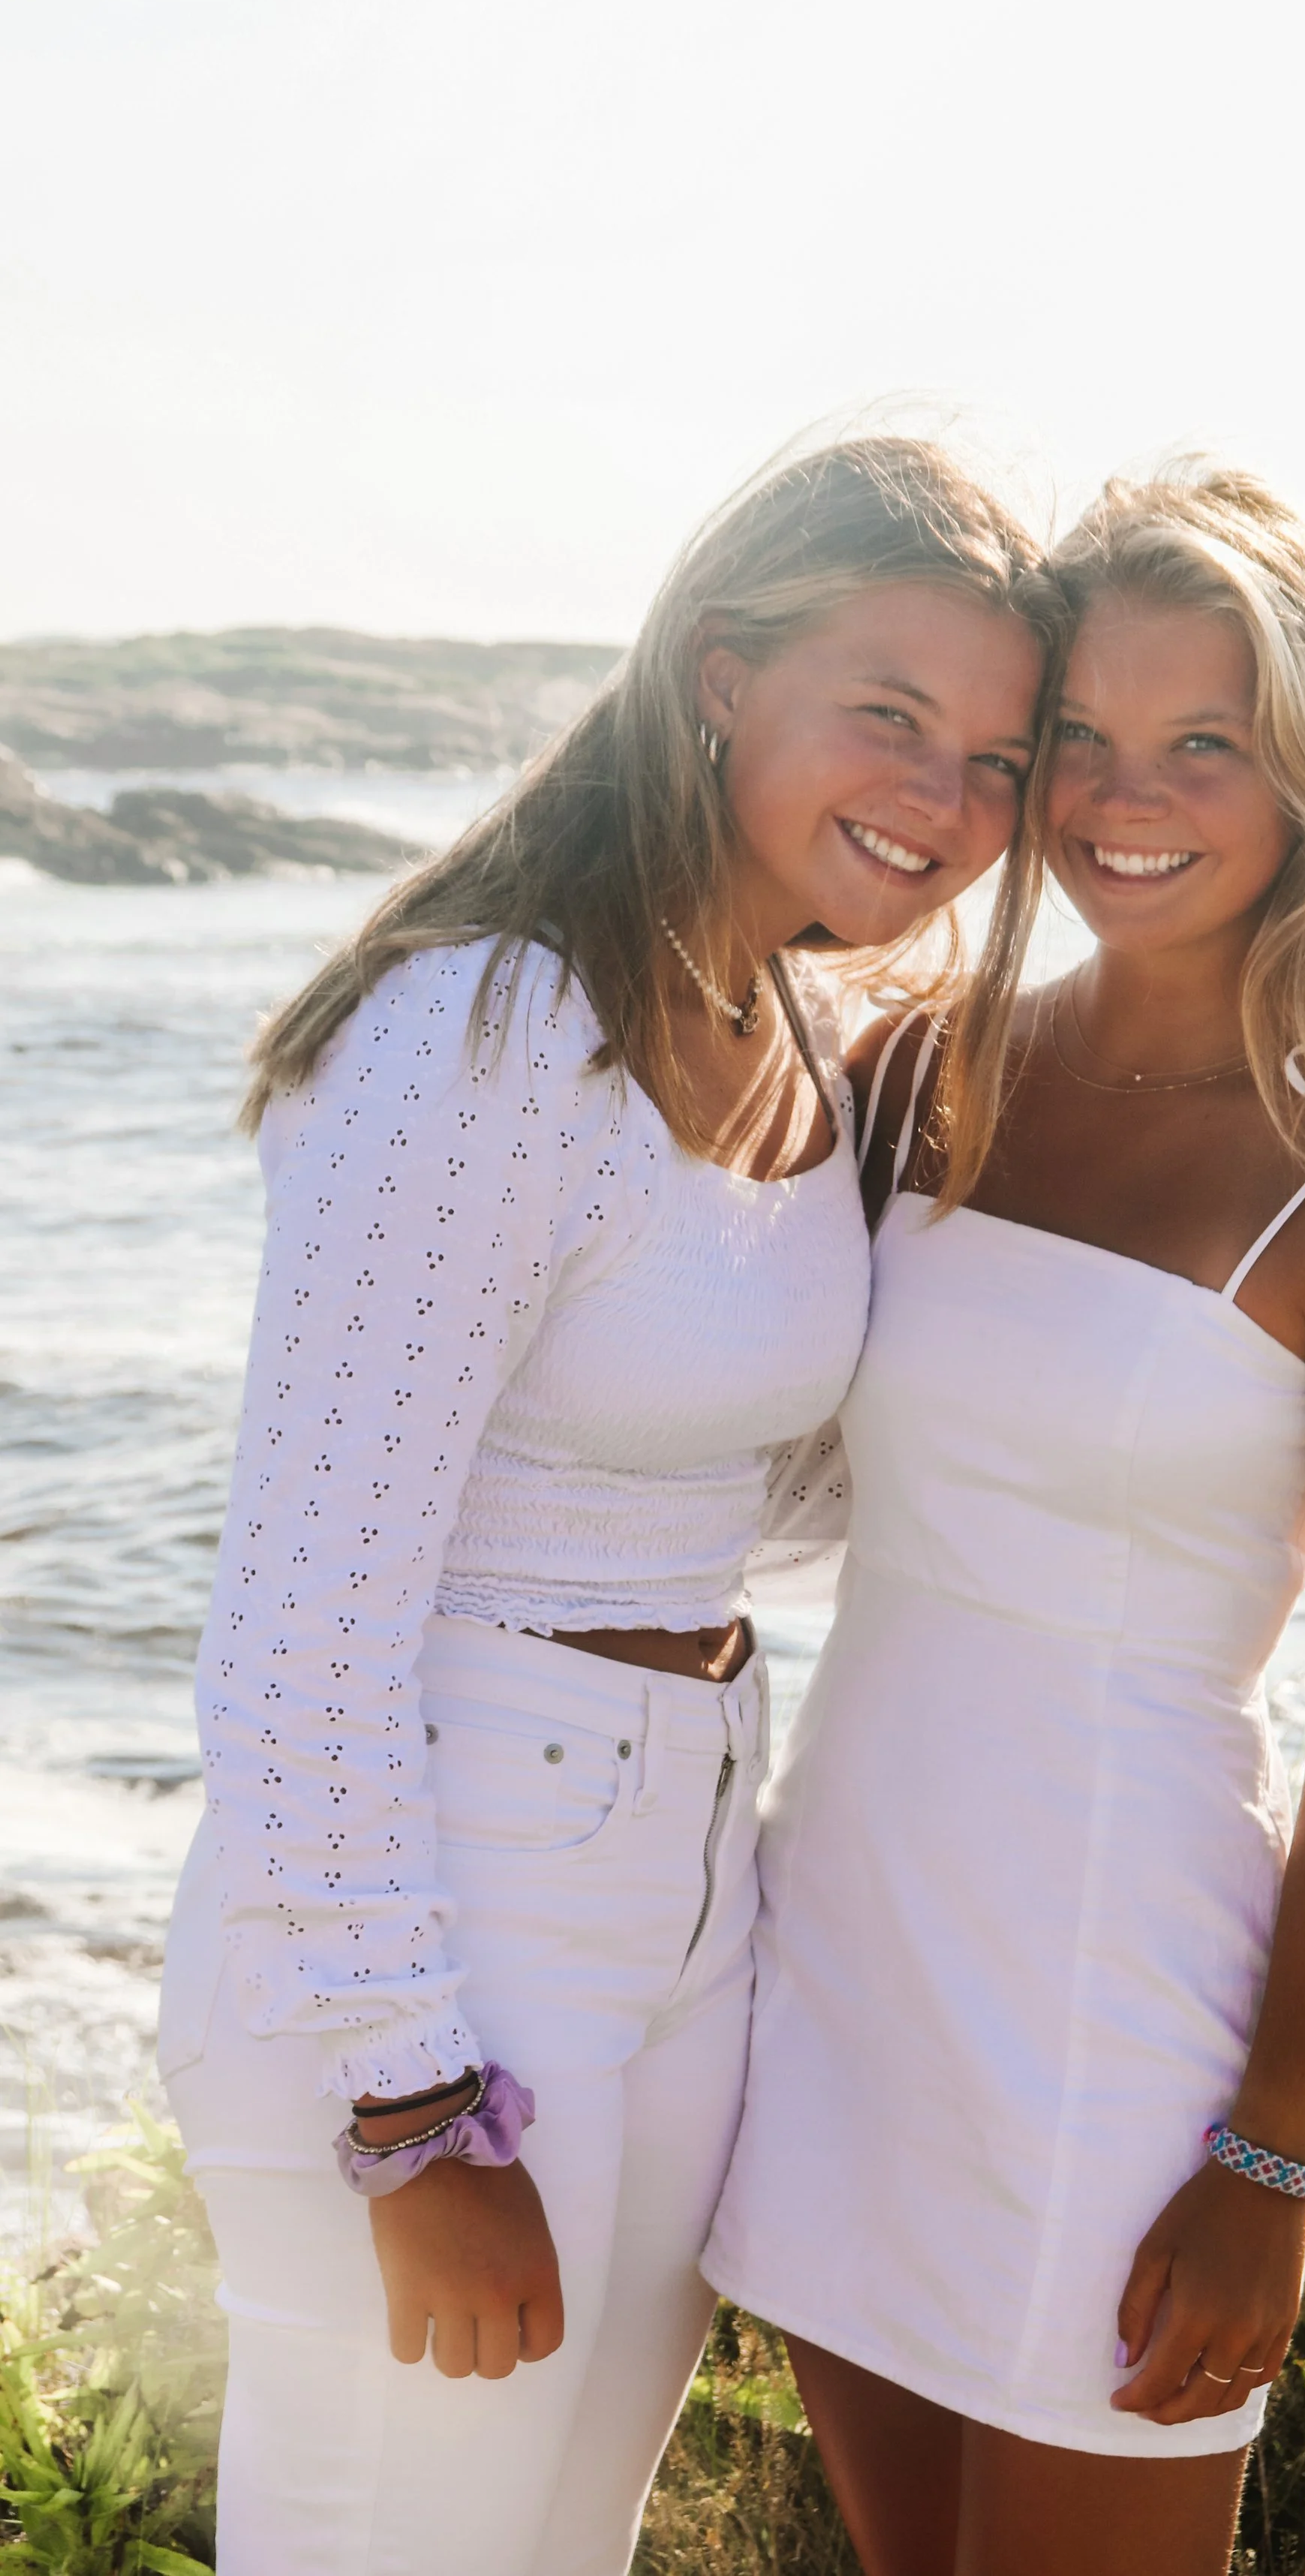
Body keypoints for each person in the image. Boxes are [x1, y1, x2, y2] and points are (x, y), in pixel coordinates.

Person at [156, 437, 1060, 2576]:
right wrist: (408, 2101)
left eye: (1001, 759)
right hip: (453, 1912)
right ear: (721, 673)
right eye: (892, 718)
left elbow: (753, 1498)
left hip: (682, 1869)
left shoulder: (797, 1034)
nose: (945, 804)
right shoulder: (488, 1030)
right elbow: (297, 1619)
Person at [704, 465, 1305, 2576]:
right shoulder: (919, 1068)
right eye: (1075, 736)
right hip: (848, 1972)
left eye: (1201, 745)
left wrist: (1271, 2162)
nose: (1114, 795)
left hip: (1115, 2024)